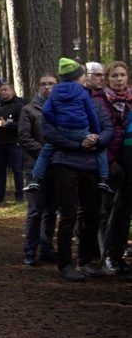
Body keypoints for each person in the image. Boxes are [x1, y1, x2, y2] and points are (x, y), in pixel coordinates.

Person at [43, 87, 114, 282]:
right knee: (69, 214)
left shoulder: (96, 105)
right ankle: (65, 264)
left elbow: (108, 129)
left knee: (92, 215)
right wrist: (78, 144)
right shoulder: (57, 104)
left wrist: (98, 141)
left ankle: (85, 261)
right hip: (65, 163)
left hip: (92, 166)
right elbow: (49, 132)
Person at [24, 58, 111, 193]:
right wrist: (94, 133)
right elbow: (91, 114)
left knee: (46, 152)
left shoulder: (55, 92)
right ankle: (104, 179)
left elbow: (46, 110)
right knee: (100, 151)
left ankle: (35, 178)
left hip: (62, 130)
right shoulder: (82, 92)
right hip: (82, 131)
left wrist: (57, 121)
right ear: (78, 77)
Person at [91, 61, 132, 274]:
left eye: (122, 75)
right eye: (114, 75)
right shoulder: (98, 102)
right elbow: (95, 133)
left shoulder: (131, 102)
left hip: (129, 164)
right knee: (106, 212)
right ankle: (105, 255)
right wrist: (110, 162)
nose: (118, 79)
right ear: (107, 79)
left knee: (124, 213)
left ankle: (119, 254)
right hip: (107, 164)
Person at [18, 73, 59, 266]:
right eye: (44, 84)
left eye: (51, 84)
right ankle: (30, 250)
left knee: (51, 211)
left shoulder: (63, 109)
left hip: (58, 166)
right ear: (38, 87)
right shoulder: (29, 110)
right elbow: (24, 137)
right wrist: (45, 153)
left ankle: (47, 248)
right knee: (35, 210)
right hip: (34, 167)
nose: (47, 88)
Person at [0, 81, 24, 203]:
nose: (3, 92)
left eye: (6, 90)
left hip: (14, 143)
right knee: (0, 170)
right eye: (1, 90)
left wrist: (7, 124)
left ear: (12, 91)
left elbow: (22, 125)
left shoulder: (19, 106)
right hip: (0, 143)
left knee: (17, 170)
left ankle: (19, 197)